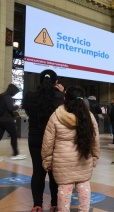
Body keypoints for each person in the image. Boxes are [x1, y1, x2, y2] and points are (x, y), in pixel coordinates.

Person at [41, 86, 100, 211]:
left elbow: (48, 141)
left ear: (65, 98)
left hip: (62, 162)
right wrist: (94, 157)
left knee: (64, 190)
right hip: (83, 159)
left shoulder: (56, 115)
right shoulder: (88, 116)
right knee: (83, 186)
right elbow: (95, 139)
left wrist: (46, 160)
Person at [23, 69, 64, 212]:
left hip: (35, 138)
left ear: (40, 80)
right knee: (54, 173)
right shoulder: (60, 97)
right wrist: (62, 92)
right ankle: (54, 204)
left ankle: (37, 205)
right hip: (54, 140)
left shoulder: (30, 96)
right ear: (56, 82)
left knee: (38, 172)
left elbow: (27, 110)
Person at [0, 84, 26, 160]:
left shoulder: (1, 96)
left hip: (0, 119)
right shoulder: (8, 97)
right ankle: (15, 154)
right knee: (14, 135)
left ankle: (15, 154)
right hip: (7, 120)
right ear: (12, 91)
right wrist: (17, 106)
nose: (15, 94)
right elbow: (11, 108)